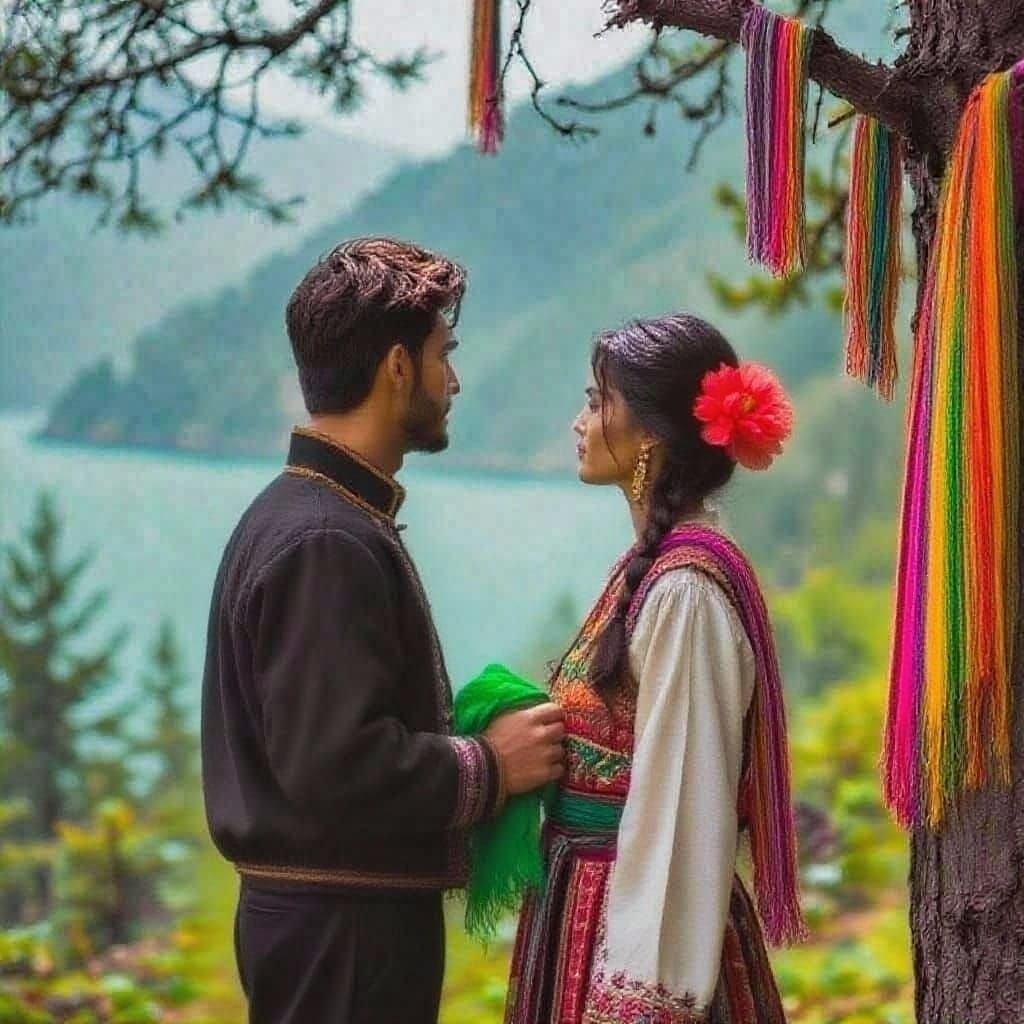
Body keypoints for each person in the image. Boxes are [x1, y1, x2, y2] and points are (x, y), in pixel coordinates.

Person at [200, 237, 565, 1024]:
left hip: (332, 927)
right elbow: (337, 768)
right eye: (444, 353)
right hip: (344, 939)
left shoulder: (314, 517)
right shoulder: (326, 539)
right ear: (397, 366)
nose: (454, 380)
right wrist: (491, 765)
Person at [504, 313, 804, 1024]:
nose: (580, 422)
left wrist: (641, 997)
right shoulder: (657, 573)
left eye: (596, 402)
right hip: (586, 913)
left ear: (649, 436)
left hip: (635, 947)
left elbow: (681, 810)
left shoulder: (685, 595)